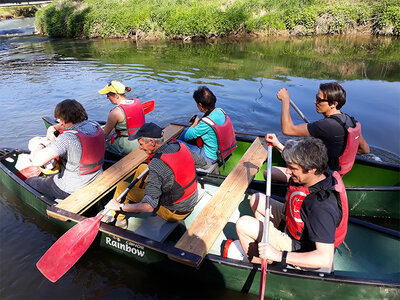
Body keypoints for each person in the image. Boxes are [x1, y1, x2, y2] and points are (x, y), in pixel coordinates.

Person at [236, 137, 348, 271]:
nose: (288, 171)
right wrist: (278, 145)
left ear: (312, 169)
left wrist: (279, 255)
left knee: (243, 224)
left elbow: (325, 259)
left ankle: (261, 264)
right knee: (256, 199)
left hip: (300, 247)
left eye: (293, 168)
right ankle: (267, 248)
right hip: (295, 225)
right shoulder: (322, 172)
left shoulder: (320, 206)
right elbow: (298, 158)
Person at [104, 122, 210, 229]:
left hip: (173, 212)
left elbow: (149, 207)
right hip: (190, 199)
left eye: (141, 144)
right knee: (142, 168)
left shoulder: (157, 164)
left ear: (152, 142)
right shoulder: (180, 146)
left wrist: (120, 206)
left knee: (122, 186)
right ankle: (135, 202)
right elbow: (203, 163)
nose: (140, 148)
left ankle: (119, 219)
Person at [274, 82, 369, 175]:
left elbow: (288, 130)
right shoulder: (350, 121)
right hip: (338, 172)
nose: (315, 102)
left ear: (334, 104)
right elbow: (365, 149)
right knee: (291, 143)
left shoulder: (326, 125)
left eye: (319, 100)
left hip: (324, 175)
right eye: (316, 98)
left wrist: (285, 100)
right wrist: (342, 154)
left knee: (269, 173)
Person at [26, 99, 105, 200]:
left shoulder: (68, 138)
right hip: (97, 175)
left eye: (59, 120)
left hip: (72, 187)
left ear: (62, 121)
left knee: (30, 182)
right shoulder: (94, 125)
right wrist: (53, 128)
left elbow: (37, 161)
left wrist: (41, 144)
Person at [179, 86, 236, 165]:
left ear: (200, 105)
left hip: (210, 157)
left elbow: (187, 136)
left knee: (175, 143)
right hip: (224, 151)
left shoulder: (206, 122)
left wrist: (195, 123)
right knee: (185, 131)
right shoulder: (220, 111)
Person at [98, 80, 145, 155]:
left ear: (116, 95)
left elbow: (104, 134)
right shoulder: (137, 102)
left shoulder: (115, 112)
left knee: (101, 142)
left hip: (129, 145)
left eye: (108, 95)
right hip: (142, 139)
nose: (107, 98)